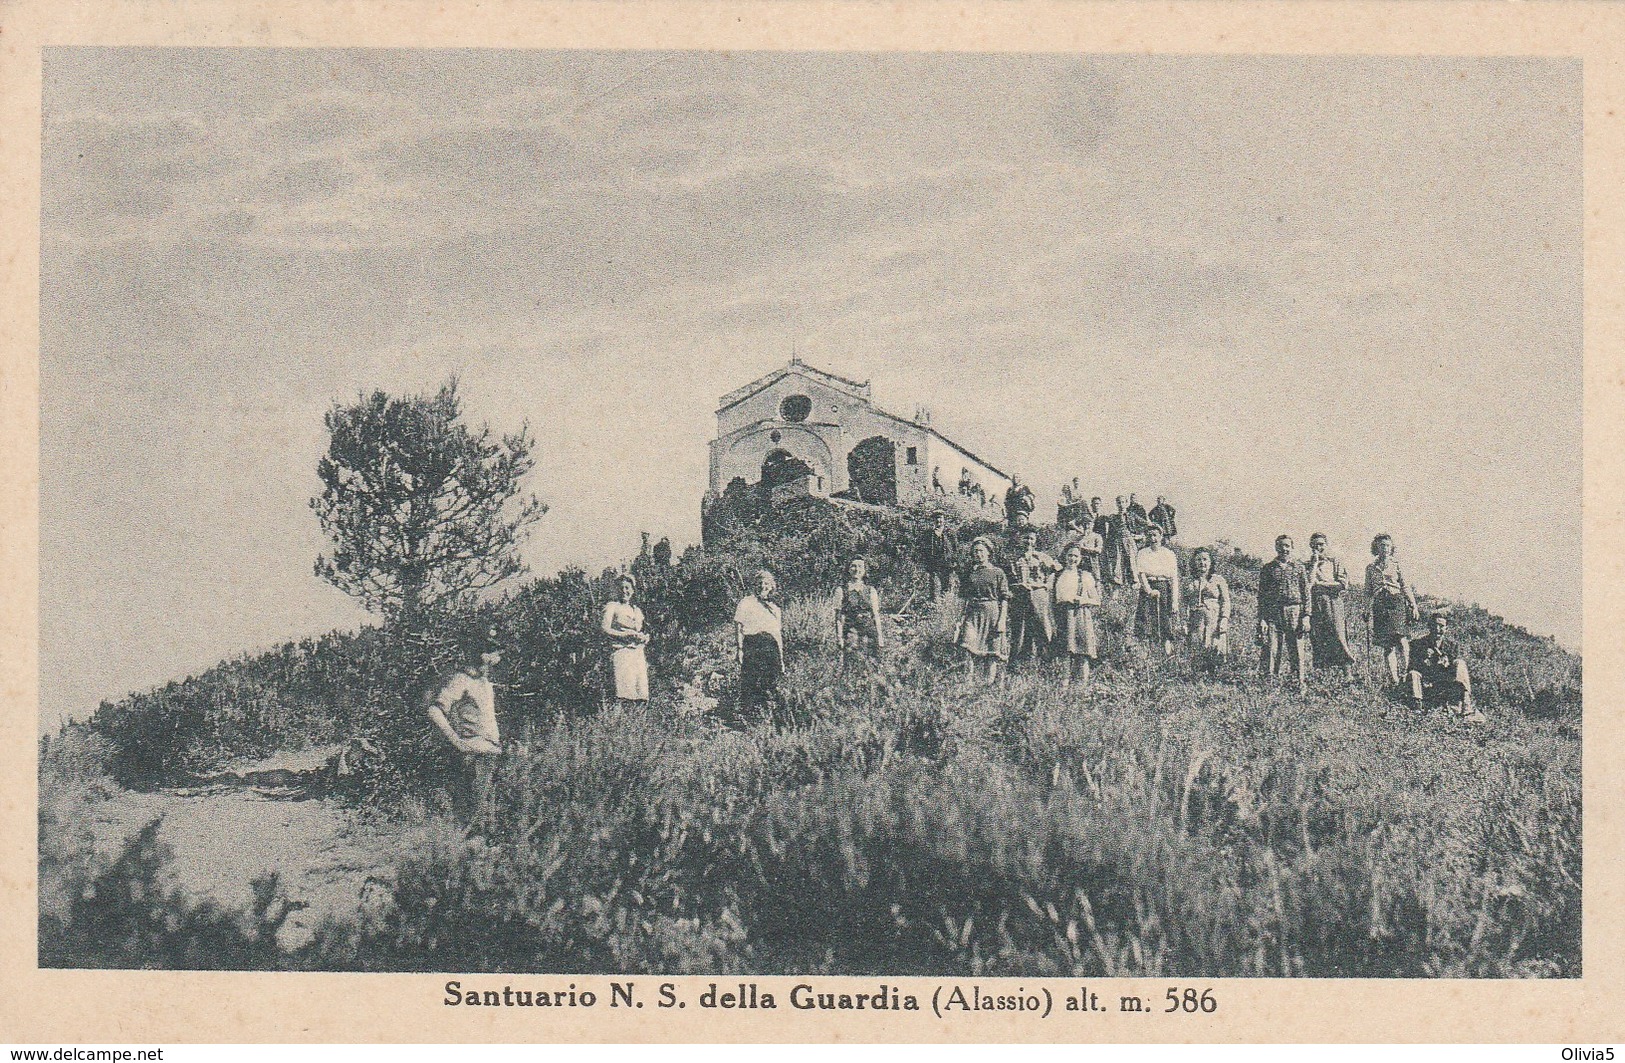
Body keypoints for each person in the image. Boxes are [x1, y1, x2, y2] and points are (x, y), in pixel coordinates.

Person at [426, 634, 503, 825]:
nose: (497, 659)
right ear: (483, 656)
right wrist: (456, 741)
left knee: (487, 814)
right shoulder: (461, 680)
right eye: (494, 653)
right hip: (473, 753)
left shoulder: (484, 683)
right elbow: (435, 710)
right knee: (473, 816)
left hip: (490, 752)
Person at [1366, 533, 1420, 687]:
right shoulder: (1370, 568)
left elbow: (1405, 586)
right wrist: (1366, 609)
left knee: (1401, 640)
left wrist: (1413, 605)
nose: (1385, 549)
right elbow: (1368, 591)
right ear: (1376, 547)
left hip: (1396, 603)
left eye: (1388, 545)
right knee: (1387, 645)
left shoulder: (1396, 565)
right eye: (1382, 545)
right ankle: (1394, 680)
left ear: (1392, 548)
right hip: (1380, 606)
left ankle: (1407, 674)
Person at [1408, 611, 1482, 723]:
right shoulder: (1417, 644)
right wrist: (1425, 662)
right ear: (1429, 627)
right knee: (1414, 674)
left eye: (1441, 626)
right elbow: (1411, 669)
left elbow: (1457, 672)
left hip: (1444, 686)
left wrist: (1446, 665)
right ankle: (1417, 708)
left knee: (1460, 662)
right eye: (1434, 625)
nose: (1438, 629)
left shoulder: (1451, 646)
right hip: (1425, 686)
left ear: (1446, 628)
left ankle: (1466, 706)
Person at [1258, 534, 1311, 689]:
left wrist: (1306, 616)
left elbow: (1306, 593)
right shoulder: (1268, 568)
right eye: (1281, 545)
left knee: (1296, 649)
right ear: (1276, 547)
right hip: (1273, 612)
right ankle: (1271, 685)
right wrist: (1262, 618)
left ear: (1292, 548)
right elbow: (1262, 596)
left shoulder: (1299, 567)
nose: (1284, 549)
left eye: (1287, 546)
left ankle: (1298, 684)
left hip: (1295, 611)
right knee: (1272, 649)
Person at [956, 536, 1010, 682]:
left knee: (992, 652)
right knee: (967, 647)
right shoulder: (971, 573)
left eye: (981, 551)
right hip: (973, 613)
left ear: (988, 553)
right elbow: (964, 597)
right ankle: (967, 683)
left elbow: (1004, 597)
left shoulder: (998, 572)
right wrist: (960, 619)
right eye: (975, 552)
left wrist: (1002, 620)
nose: (978, 554)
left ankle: (988, 684)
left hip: (992, 612)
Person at [1006, 528, 1060, 665]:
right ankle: (1019, 662)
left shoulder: (1041, 556)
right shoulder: (1013, 558)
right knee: (1020, 629)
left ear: (1035, 541)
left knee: (1042, 626)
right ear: (1020, 539)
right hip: (1020, 596)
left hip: (1038, 595)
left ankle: (1047, 661)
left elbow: (1058, 568)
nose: (1028, 541)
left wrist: (1046, 584)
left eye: (1031, 538)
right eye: (1026, 538)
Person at [734, 569, 784, 717]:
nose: (763, 586)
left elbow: (777, 634)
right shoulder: (746, 602)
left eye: (767, 583)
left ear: (772, 586)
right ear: (755, 585)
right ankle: (747, 716)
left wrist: (781, 658)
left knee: (770, 681)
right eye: (760, 583)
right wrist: (740, 649)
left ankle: (766, 715)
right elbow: (738, 626)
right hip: (753, 644)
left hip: (771, 646)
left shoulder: (775, 608)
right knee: (750, 680)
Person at [1306, 532, 1357, 677]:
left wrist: (1321, 584)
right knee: (1318, 637)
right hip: (1316, 603)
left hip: (1333, 602)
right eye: (1315, 545)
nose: (1318, 547)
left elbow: (1342, 584)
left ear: (1326, 545)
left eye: (1321, 544)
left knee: (1338, 635)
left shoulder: (1334, 562)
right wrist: (1314, 564)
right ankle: (1323, 675)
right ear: (1311, 546)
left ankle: (1348, 674)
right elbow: (1309, 584)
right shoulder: (1307, 564)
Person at [1052, 542, 1102, 687]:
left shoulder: (1085, 576)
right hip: (1063, 615)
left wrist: (1083, 600)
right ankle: (1064, 684)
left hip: (1081, 614)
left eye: (1076, 556)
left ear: (1080, 558)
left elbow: (1097, 601)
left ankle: (1083, 685)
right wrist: (1051, 620)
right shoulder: (1056, 576)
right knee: (1065, 652)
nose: (1073, 559)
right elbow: (1051, 602)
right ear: (1065, 556)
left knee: (1083, 651)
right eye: (1070, 555)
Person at [601, 574, 650, 703]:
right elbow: (605, 629)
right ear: (617, 590)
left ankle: (638, 721)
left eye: (627, 588)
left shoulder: (637, 611)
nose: (624, 591)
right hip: (621, 652)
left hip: (638, 653)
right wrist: (624, 635)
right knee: (623, 694)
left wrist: (645, 638)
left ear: (632, 590)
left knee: (640, 694)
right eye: (621, 588)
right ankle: (618, 721)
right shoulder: (612, 606)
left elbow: (645, 630)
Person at [1134, 523, 1182, 655]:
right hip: (1147, 587)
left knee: (1164, 617)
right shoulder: (1142, 553)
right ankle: (1146, 649)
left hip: (1164, 586)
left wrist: (1174, 602)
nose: (1152, 538)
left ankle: (1166, 648)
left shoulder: (1169, 554)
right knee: (1145, 616)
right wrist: (1148, 590)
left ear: (1161, 536)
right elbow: (1141, 574)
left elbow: (1174, 579)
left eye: (1155, 535)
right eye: (1149, 535)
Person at [1185, 547, 1231, 668]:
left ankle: (1215, 678)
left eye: (1205, 559)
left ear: (1210, 562)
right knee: (1196, 651)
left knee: (1215, 650)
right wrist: (1184, 622)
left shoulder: (1218, 580)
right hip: (1196, 621)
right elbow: (1184, 603)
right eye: (1199, 560)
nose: (1202, 563)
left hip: (1214, 621)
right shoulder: (1189, 581)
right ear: (1194, 562)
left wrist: (1224, 619)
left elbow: (1226, 602)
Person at [835, 557, 884, 663]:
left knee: (872, 664)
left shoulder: (871, 590)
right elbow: (838, 617)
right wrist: (839, 638)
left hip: (869, 633)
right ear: (848, 569)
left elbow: (875, 615)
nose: (857, 569)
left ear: (865, 570)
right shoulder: (841, 590)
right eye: (853, 566)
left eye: (860, 566)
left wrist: (880, 637)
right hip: (851, 634)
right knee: (852, 664)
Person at [1102, 496, 1138, 588]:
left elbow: (1144, 523)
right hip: (1117, 541)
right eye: (1119, 503)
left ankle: (1133, 583)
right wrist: (1108, 544)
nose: (1121, 505)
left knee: (1131, 560)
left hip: (1129, 540)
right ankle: (1118, 583)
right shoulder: (1113, 517)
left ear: (1126, 503)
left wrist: (1138, 535)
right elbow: (1110, 533)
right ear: (1116, 504)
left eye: (1123, 502)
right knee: (1117, 561)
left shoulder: (1131, 515)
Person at [920, 512, 958, 600]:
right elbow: (924, 550)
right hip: (933, 565)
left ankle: (945, 605)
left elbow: (956, 549)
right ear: (933, 520)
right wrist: (926, 562)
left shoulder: (950, 533)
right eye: (936, 518)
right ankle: (934, 605)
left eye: (940, 518)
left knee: (946, 586)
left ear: (944, 519)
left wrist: (954, 562)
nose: (938, 520)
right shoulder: (929, 534)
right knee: (934, 586)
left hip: (947, 565)